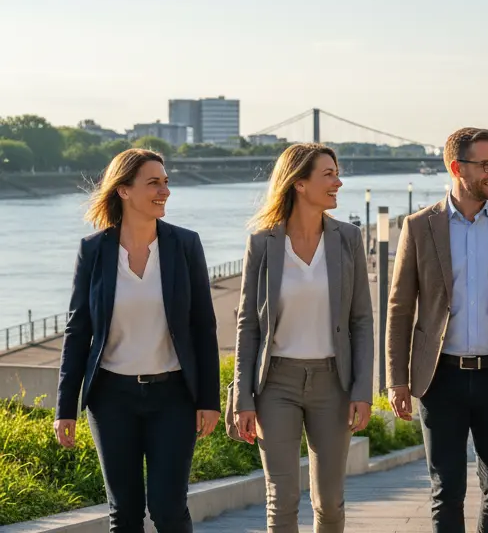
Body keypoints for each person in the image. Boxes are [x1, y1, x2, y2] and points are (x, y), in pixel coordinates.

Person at [386, 127, 488, 533]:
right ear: (456, 167)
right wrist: (396, 380)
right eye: (486, 165)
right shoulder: (419, 226)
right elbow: (400, 308)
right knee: (446, 491)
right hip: (439, 377)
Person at [54, 148, 221, 532]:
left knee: (168, 509)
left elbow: (203, 327)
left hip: (173, 397)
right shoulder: (93, 250)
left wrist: (208, 400)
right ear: (124, 190)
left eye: (166, 182)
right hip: (111, 399)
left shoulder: (185, 245)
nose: (164, 191)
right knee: (124, 513)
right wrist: (65, 408)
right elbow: (78, 331)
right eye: (153, 183)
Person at [231, 143, 375, 533]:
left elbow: (362, 320)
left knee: (329, 502)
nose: (338, 182)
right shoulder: (262, 242)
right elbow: (248, 325)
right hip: (276, 384)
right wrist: (242, 398)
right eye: (328, 175)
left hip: (333, 384)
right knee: (281, 500)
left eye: (337, 174)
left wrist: (362, 390)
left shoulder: (348, 239)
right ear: (298, 183)